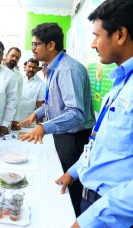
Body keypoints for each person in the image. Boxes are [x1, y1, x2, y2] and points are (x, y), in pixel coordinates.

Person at [56, 0, 133, 227]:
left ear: (120, 34)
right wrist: (73, 172)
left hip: (112, 214)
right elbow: (100, 144)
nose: (92, 44)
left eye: (97, 36)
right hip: (92, 204)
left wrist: (91, 220)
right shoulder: (120, 83)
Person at [18, 23, 96, 216]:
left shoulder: (68, 70)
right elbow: (52, 103)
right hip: (63, 136)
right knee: (61, 184)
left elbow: (76, 113)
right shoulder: (53, 69)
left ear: (51, 45)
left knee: (71, 192)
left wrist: (43, 127)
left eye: (36, 44)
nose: (32, 48)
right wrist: (34, 116)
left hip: (74, 140)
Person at [18, 58, 45, 126]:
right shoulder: (18, 78)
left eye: (34, 67)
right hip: (13, 119)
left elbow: (39, 105)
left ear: (37, 69)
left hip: (28, 121)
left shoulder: (41, 83)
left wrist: (39, 123)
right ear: (25, 67)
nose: (31, 69)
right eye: (29, 66)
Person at [2, 47, 23, 131]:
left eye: (17, 58)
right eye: (12, 56)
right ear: (6, 55)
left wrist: (15, 119)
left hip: (8, 118)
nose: (14, 59)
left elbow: (18, 98)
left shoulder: (18, 76)